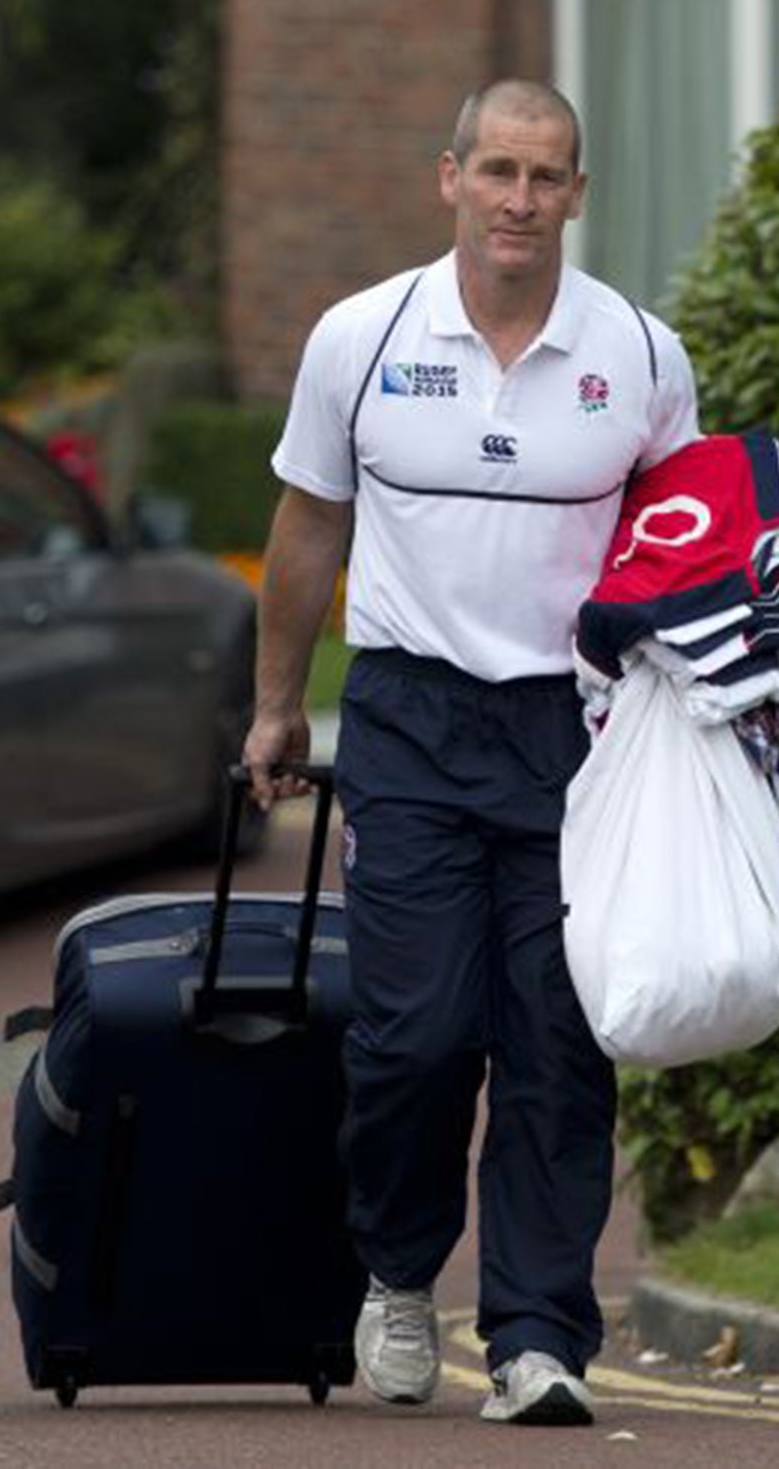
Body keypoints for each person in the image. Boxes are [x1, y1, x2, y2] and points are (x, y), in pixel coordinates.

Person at [243, 80, 700, 1427]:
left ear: (577, 194)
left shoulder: (643, 353)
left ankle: (539, 1336)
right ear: (449, 177)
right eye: (496, 171)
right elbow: (308, 527)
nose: (518, 200)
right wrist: (277, 706)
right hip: (408, 721)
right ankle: (396, 1270)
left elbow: (682, 544)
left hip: (577, 735)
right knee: (418, 1037)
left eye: (544, 177)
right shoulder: (362, 337)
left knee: (560, 1038)